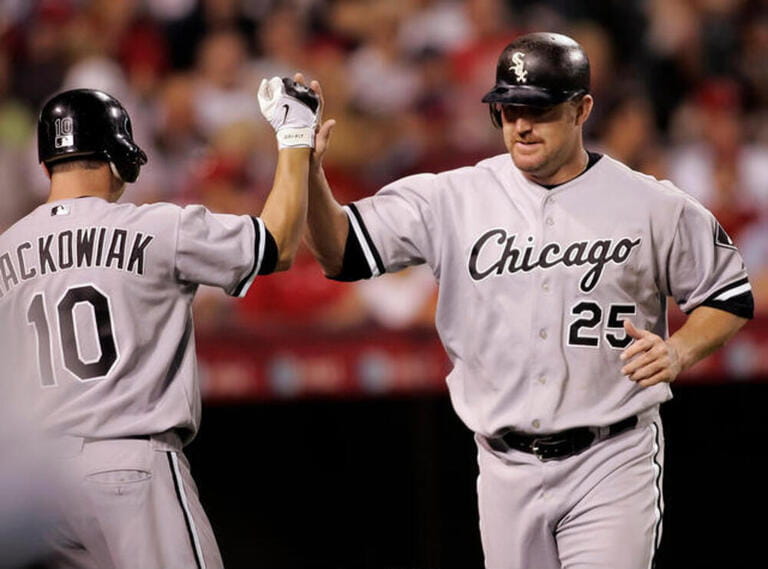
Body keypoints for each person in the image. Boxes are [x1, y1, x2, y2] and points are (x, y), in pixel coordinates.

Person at [302, 32, 754, 569]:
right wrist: (305, 171)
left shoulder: (650, 204)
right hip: (502, 466)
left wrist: (679, 351)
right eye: (509, 109)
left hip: (611, 457)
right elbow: (340, 254)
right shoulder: (454, 197)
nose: (520, 124)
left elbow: (729, 294)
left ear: (581, 108)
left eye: (538, 109)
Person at [0, 78, 318, 568]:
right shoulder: (155, 227)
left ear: (45, 164)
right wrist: (295, 137)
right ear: (117, 158)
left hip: (38, 485)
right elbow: (277, 244)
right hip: (130, 464)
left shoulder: (4, 252)